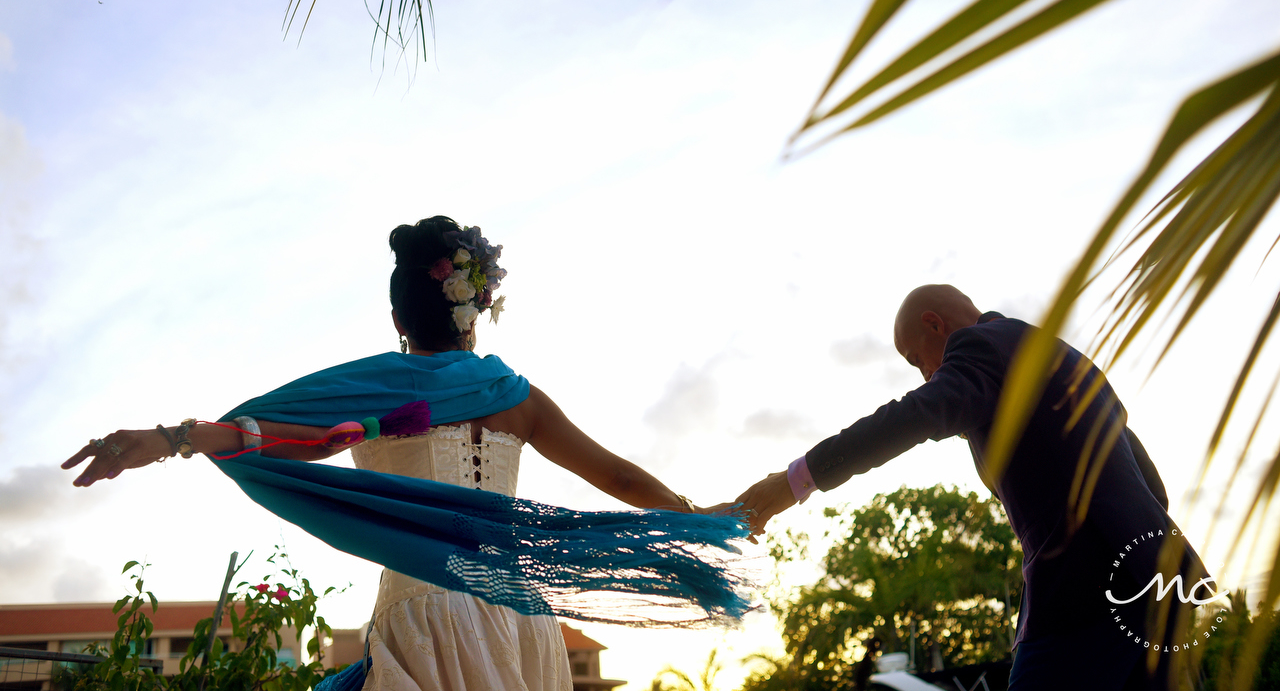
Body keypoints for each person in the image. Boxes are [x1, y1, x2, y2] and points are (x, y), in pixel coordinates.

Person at [63, 216, 735, 691]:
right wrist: (695, 515)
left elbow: (268, 436)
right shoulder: (516, 397)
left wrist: (168, 440)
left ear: (399, 323)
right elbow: (614, 474)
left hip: (425, 613)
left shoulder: (383, 394)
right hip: (521, 612)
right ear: (476, 310)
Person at [728, 284, 1209, 691]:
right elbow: (1149, 483)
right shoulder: (1060, 357)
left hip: (1082, 595)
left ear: (936, 325)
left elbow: (916, 414)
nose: (927, 375)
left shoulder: (981, 347)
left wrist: (794, 481)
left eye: (918, 360)